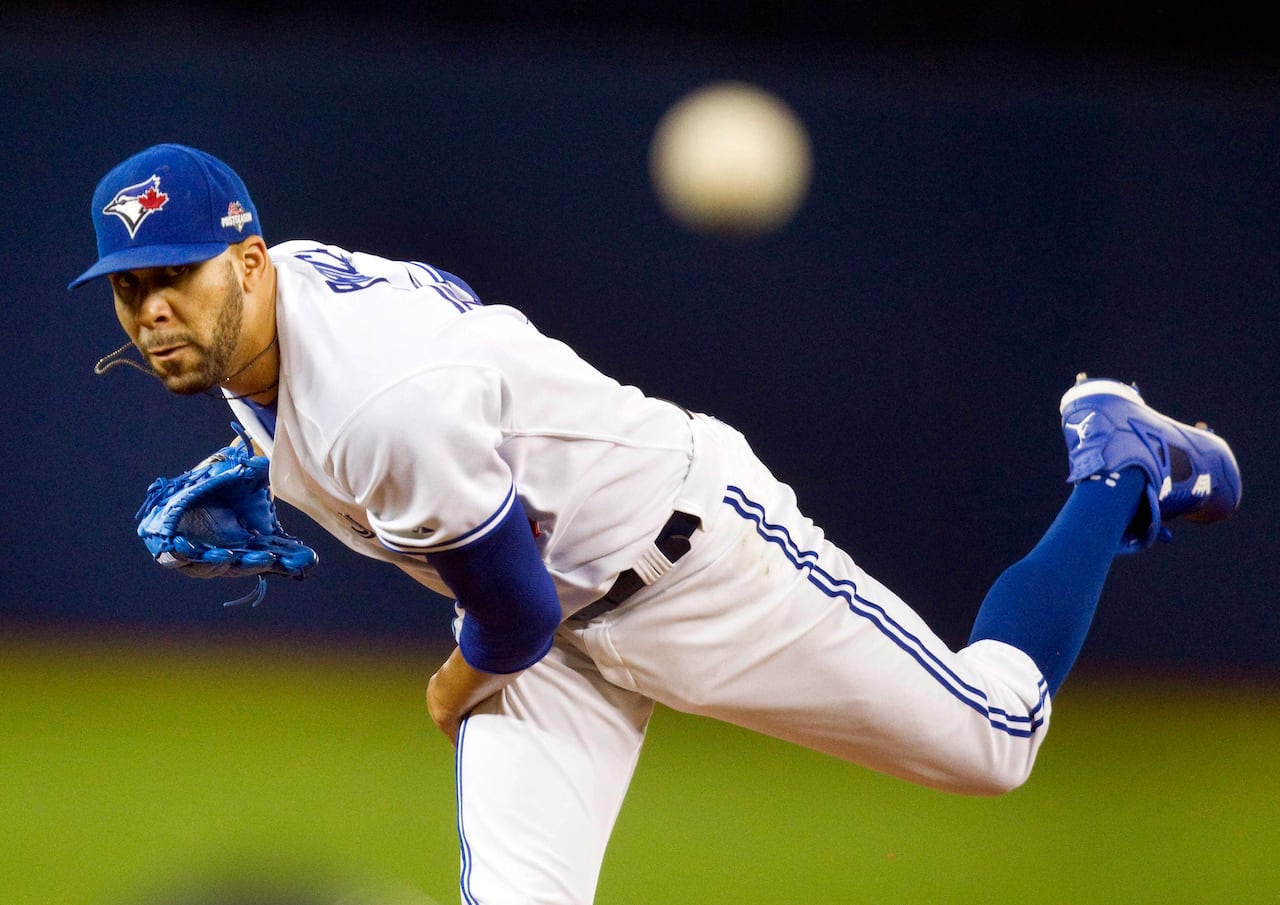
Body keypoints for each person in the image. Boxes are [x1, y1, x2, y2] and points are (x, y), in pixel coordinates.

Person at [71, 144, 1241, 904]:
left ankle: (1116, 462)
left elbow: (512, 610)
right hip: (553, 617)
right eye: (131, 285)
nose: (156, 307)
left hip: (687, 565)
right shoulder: (272, 318)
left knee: (995, 739)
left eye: (178, 272)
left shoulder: (383, 399)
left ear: (249, 258)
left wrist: (445, 684)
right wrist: (275, 459)